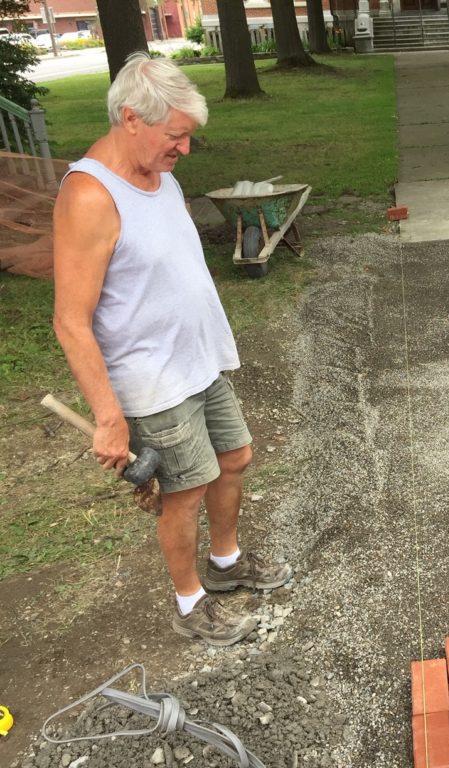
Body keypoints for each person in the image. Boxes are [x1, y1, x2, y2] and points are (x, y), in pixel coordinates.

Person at [52, 53, 292, 647]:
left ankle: (227, 562)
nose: (184, 149)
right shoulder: (90, 196)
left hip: (197, 360)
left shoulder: (161, 176)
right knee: (182, 494)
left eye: (186, 136)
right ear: (132, 118)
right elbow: (70, 321)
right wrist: (109, 418)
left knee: (234, 458)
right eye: (176, 135)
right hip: (151, 379)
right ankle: (189, 602)